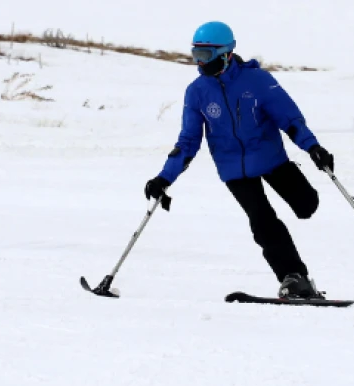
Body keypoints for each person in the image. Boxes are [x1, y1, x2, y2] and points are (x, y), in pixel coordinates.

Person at [143, 21, 335, 299]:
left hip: (271, 159)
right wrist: (164, 177)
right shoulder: (197, 91)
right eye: (195, 54)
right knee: (262, 221)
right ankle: (294, 278)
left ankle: (302, 195)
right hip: (233, 169)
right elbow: (187, 142)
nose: (199, 62)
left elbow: (289, 119)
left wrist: (312, 147)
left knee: (307, 206)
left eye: (205, 55)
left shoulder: (258, 81)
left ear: (226, 53)